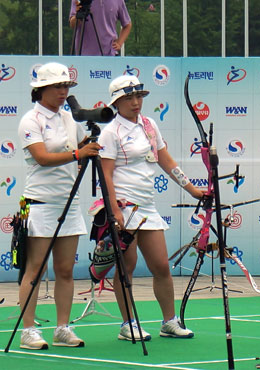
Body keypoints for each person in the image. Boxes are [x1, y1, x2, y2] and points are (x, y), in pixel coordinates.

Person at [98, 75, 204, 340]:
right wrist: (114, 210)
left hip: (147, 207)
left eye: (138, 97)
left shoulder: (149, 124)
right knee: (127, 267)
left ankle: (169, 321)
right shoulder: (111, 131)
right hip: (124, 207)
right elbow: (106, 174)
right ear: (117, 102)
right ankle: (128, 323)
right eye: (128, 98)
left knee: (161, 266)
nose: (135, 103)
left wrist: (192, 189)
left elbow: (165, 160)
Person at [17, 62, 102, 349]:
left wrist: (89, 146)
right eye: (58, 86)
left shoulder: (68, 119)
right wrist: (79, 152)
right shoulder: (31, 120)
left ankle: (62, 328)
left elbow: (83, 150)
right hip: (40, 203)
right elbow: (41, 157)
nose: (63, 92)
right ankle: (28, 330)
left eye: (66, 86)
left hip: (69, 202)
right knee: (36, 269)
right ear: (41, 90)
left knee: (65, 269)